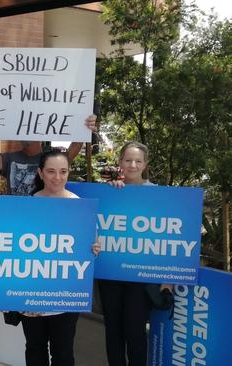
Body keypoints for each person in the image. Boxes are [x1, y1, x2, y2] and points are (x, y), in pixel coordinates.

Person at [20, 148, 99, 366]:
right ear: (40, 173)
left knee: (63, 352)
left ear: (68, 172)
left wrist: (93, 249)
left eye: (63, 171)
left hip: (65, 295)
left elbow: (91, 243)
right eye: (51, 171)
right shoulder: (27, 205)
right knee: (35, 349)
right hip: (31, 291)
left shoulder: (80, 206)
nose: (58, 177)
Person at [99, 141, 171, 366]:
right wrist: (111, 188)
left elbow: (172, 236)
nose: (132, 165)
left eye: (138, 161)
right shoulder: (109, 190)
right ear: (120, 162)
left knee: (135, 331)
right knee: (113, 331)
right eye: (128, 160)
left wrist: (167, 278)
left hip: (141, 276)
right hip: (110, 274)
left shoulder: (158, 195)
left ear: (145, 164)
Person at [0, 115, 97, 196]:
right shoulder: (9, 159)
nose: (26, 133)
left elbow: (76, 144)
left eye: (30, 128)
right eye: (23, 128)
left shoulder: (52, 159)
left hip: (44, 218)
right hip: (16, 220)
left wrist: (85, 126)